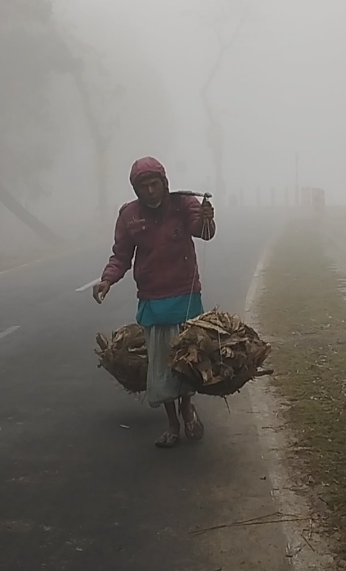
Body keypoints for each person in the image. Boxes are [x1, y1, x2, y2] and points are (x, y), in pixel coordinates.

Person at [93, 157, 216, 448]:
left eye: (155, 184)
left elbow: (204, 233)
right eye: (143, 186)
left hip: (185, 296)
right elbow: (121, 255)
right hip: (152, 299)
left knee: (187, 362)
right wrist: (107, 279)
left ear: (165, 183)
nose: (150, 191)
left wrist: (207, 217)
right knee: (160, 368)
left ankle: (187, 408)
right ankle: (172, 422)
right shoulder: (129, 216)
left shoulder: (183, 204)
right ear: (136, 189)